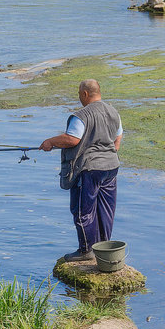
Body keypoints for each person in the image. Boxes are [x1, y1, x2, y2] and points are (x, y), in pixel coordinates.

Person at [40, 79, 123, 262]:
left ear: (85, 94)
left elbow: (72, 139)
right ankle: (102, 249)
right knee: (105, 209)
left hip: (89, 169)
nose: (79, 98)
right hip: (111, 166)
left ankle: (86, 250)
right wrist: (109, 153)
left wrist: (50, 142)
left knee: (82, 210)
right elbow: (118, 136)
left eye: (79, 94)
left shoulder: (82, 115)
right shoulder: (113, 111)